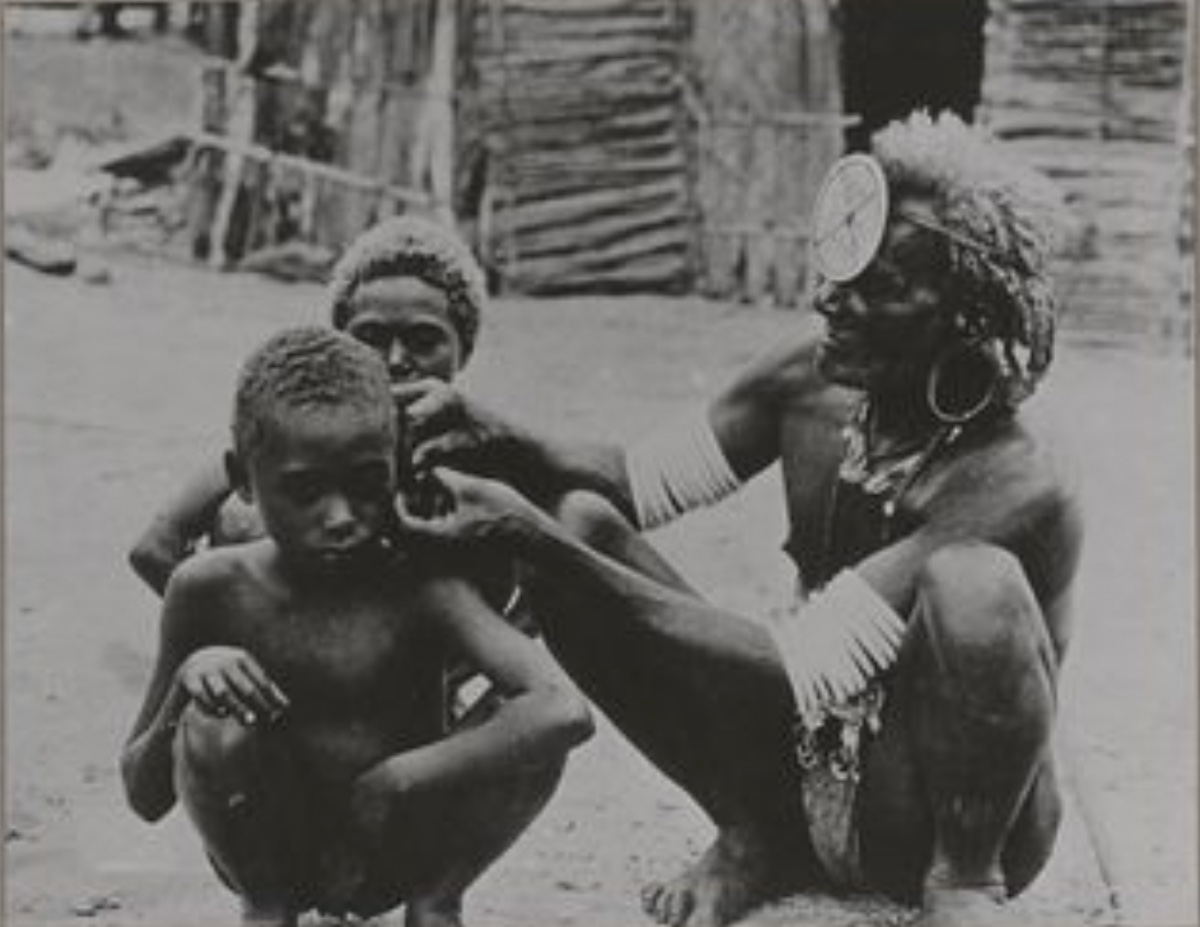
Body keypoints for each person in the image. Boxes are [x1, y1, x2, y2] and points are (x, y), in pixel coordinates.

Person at [389, 112, 1083, 927]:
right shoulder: (813, 382)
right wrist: (500, 439)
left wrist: (520, 532)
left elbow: (800, 665)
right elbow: (634, 483)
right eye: (843, 268)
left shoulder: (1013, 481)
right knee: (580, 521)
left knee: (975, 583)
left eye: (883, 289)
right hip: (806, 758)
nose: (832, 297)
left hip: (929, 807)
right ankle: (755, 834)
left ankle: (964, 890)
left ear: (967, 318)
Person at [120, 327, 593, 927]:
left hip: (403, 846)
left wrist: (396, 781)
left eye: (368, 482)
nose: (341, 517)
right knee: (211, 722)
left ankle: (437, 905)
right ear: (242, 478)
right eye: (305, 490)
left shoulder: (424, 584)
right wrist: (189, 680)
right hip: (276, 851)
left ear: (396, 464)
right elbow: (142, 793)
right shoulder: (208, 589)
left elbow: (564, 709)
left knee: (523, 719)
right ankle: (267, 913)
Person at [128, 214, 488, 595]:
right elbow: (153, 548)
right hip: (277, 644)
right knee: (244, 520)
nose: (396, 359)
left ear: (464, 350)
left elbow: (548, 548)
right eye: (371, 337)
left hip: (435, 647)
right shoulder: (289, 438)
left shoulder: (482, 457)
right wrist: (232, 622)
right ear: (338, 343)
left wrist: (496, 634)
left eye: (424, 340)